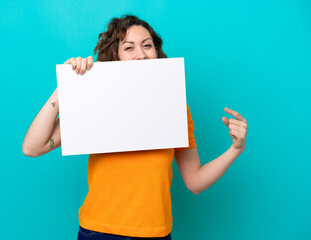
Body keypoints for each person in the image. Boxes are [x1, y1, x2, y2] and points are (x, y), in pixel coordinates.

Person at [22, 15, 248, 240]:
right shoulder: (95, 102)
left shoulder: (175, 107)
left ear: (157, 53)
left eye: (147, 45)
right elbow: (32, 147)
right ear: (116, 56)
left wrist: (235, 149)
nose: (141, 54)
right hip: (99, 232)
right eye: (129, 48)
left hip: (156, 234)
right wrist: (66, 85)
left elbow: (195, 182)